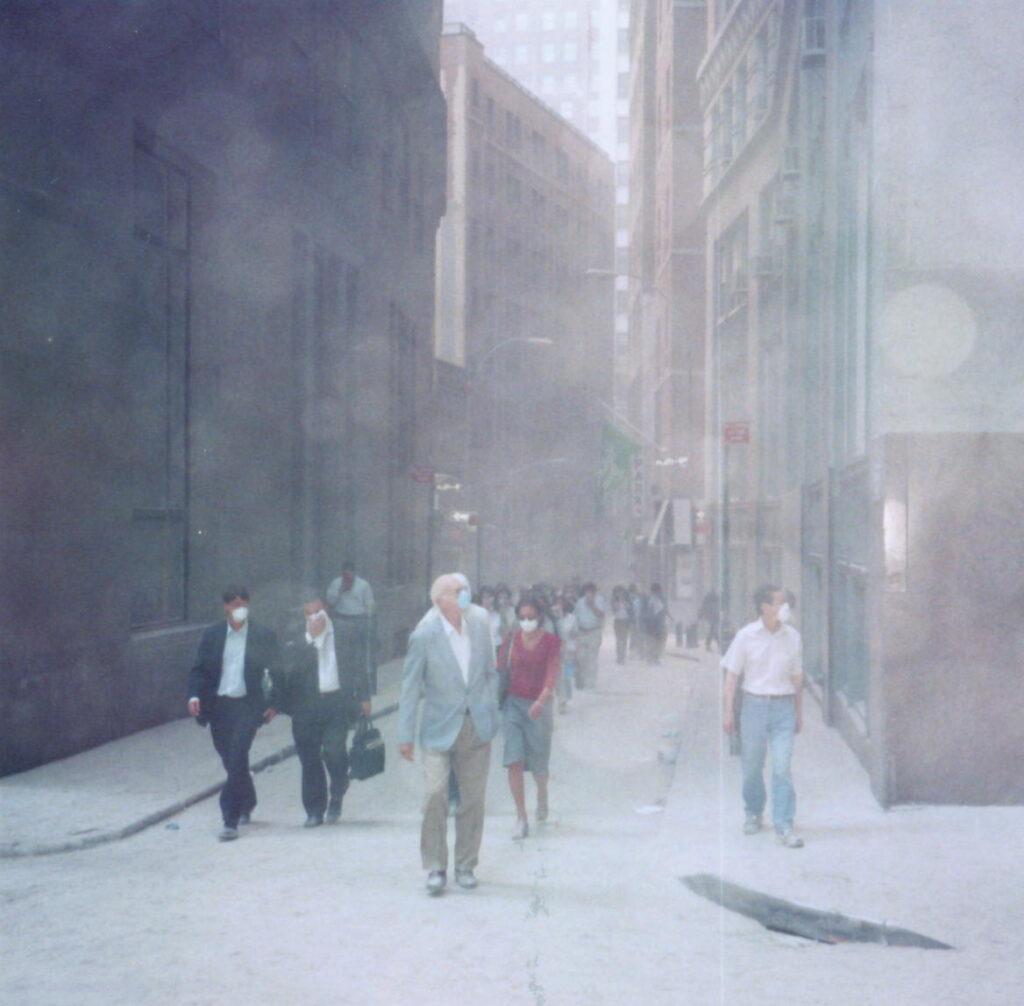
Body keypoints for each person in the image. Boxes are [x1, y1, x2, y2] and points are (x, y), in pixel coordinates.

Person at [398, 573, 501, 896]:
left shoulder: (479, 627)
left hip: (475, 727)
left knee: (472, 799)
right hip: (438, 730)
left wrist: (490, 709)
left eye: (465, 590)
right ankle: (436, 866)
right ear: (439, 600)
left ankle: (466, 864)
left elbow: (490, 672)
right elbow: (410, 687)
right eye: (457, 591)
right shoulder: (424, 636)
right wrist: (405, 734)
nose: (464, 595)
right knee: (434, 795)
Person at [187, 586, 281, 842]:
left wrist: (275, 702)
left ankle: (230, 819)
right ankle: (247, 799)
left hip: (248, 706)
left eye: (244, 603)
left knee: (238, 754)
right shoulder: (213, 635)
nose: (240, 609)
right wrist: (194, 696)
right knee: (230, 760)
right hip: (219, 706)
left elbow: (277, 671)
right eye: (235, 604)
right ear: (226, 607)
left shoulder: (262, 635)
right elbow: (199, 670)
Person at [721, 584, 805, 848]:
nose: (785, 607)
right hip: (753, 707)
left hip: (783, 708)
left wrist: (798, 712)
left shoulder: (793, 637)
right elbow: (731, 676)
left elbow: (797, 678)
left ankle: (784, 825)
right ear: (765, 607)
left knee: (782, 767)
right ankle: (754, 812)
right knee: (752, 767)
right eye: (780, 603)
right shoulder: (746, 636)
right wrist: (728, 712)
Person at [278, 592, 372, 828]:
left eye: (318, 611)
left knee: (334, 751)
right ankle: (314, 810)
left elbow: (359, 664)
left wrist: (364, 696)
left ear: (326, 609)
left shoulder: (345, 631)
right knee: (309, 758)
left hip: (336, 703)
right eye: (309, 613)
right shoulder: (295, 635)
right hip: (305, 705)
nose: (315, 617)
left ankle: (338, 787)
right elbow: (289, 667)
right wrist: (310, 638)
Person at [498, 598, 560, 839]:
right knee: (514, 759)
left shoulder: (551, 641)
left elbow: (552, 673)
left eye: (531, 617)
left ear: (540, 617)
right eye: (522, 617)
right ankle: (521, 816)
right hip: (513, 705)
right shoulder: (511, 640)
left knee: (539, 763)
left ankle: (542, 793)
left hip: (539, 707)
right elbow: (499, 669)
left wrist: (541, 701)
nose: (526, 621)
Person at [325, 559, 378, 694]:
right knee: (342, 654)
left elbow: (369, 604)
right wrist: (340, 591)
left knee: (359, 654)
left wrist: (369, 621)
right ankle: (343, 684)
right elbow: (330, 602)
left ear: (354, 573)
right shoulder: (336, 583)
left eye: (349, 574)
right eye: (345, 574)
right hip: (341, 619)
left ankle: (361, 685)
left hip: (358, 620)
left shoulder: (363, 585)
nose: (347, 577)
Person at [574, 582, 605, 689]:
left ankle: (590, 683)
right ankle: (582, 680)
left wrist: (592, 605)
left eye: (591, 591)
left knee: (592, 658)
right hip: (582, 632)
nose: (589, 593)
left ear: (595, 592)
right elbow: (575, 617)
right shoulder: (579, 602)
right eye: (587, 591)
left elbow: (601, 615)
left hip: (594, 632)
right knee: (581, 657)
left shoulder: (600, 600)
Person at [551, 594, 577, 713]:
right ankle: (559, 699)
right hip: (553, 650)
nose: (559, 606)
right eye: (557, 603)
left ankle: (564, 699)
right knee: (555, 676)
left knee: (565, 675)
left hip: (568, 649)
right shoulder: (550, 618)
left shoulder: (571, 618)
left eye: (561, 603)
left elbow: (574, 633)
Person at [643, 583, 669, 665]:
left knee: (659, 642)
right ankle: (651, 658)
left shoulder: (662, 599)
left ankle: (655, 657)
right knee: (652, 642)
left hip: (659, 624)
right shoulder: (649, 600)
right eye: (656, 591)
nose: (657, 593)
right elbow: (646, 613)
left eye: (658, 591)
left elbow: (664, 611)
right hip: (652, 625)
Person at [611, 585, 632, 665]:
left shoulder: (628, 600)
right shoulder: (614, 601)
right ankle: (619, 656)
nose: (620, 593)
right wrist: (618, 602)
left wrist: (625, 603)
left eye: (621, 592)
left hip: (626, 621)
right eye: (618, 592)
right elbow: (614, 610)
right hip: (618, 621)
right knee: (619, 639)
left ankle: (623, 656)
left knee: (624, 639)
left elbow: (630, 609)